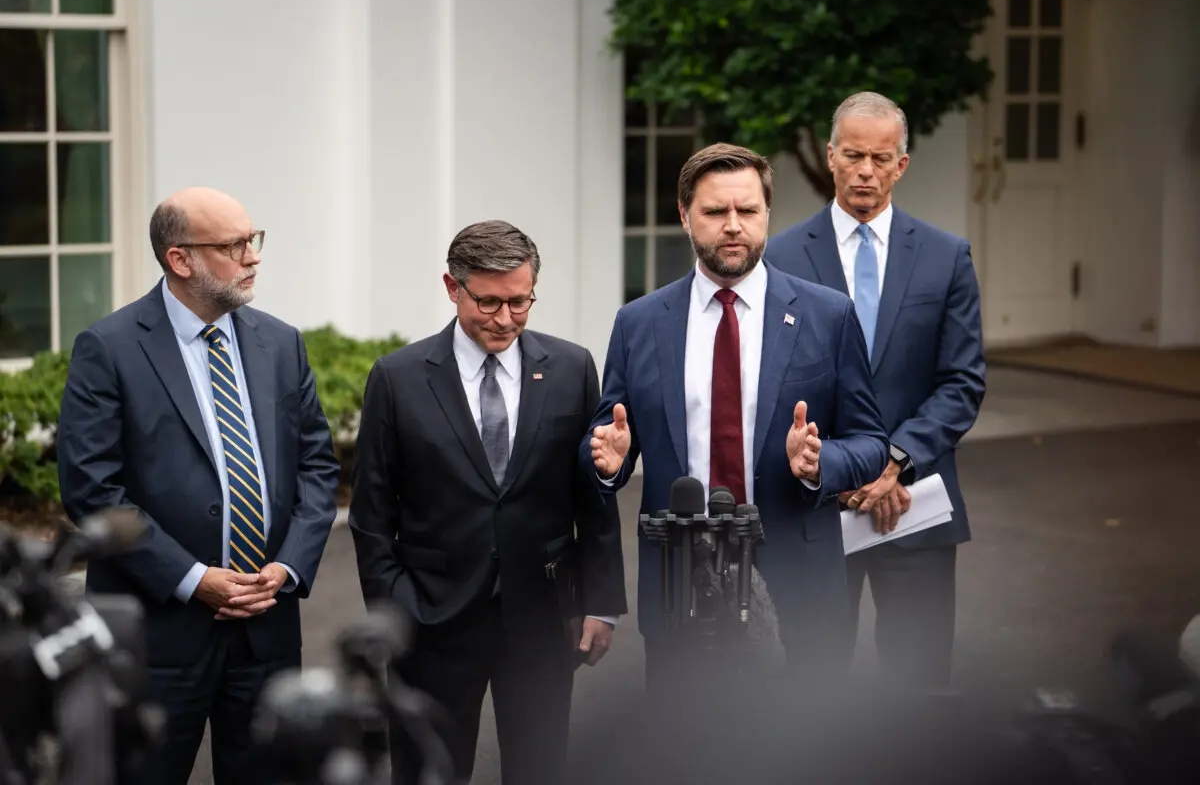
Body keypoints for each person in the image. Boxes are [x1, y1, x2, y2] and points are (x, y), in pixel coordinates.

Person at [56, 186, 341, 784]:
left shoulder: (280, 343)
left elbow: (317, 468)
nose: (253, 256)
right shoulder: (108, 348)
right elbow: (92, 491)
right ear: (180, 259)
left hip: (266, 628)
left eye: (253, 240)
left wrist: (288, 566)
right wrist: (193, 580)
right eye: (236, 245)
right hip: (159, 636)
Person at [585, 143, 889, 692]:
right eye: (714, 212)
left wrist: (821, 463)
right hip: (680, 577)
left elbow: (871, 441)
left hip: (797, 582)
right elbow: (612, 438)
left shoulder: (828, 315)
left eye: (747, 211)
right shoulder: (638, 323)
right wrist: (609, 460)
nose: (733, 227)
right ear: (684, 215)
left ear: (766, 214)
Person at [348, 220, 627, 785]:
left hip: (545, 617)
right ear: (453, 289)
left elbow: (589, 499)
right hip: (432, 620)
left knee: (539, 768)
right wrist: (395, 610)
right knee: (428, 771)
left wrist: (602, 602)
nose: (505, 319)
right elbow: (371, 513)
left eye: (520, 302)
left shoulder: (572, 369)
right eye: (488, 302)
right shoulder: (398, 378)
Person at [765, 91, 987, 687]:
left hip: (915, 509)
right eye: (854, 155)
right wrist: (843, 469)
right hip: (815, 510)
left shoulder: (947, 257)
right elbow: (772, 384)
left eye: (881, 158)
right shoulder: (780, 258)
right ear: (832, 156)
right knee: (814, 692)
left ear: (902, 165)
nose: (867, 170)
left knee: (918, 694)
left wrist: (892, 462)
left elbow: (962, 382)